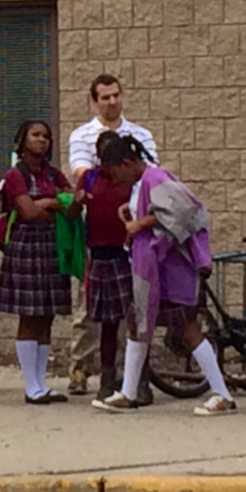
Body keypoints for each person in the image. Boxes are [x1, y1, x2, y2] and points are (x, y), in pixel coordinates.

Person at [89, 131, 236, 417]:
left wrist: (139, 223)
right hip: (151, 267)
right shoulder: (142, 183)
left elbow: (181, 210)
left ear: (128, 163)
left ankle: (223, 394)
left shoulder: (155, 178)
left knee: (187, 327)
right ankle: (129, 392)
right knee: (137, 323)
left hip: (170, 268)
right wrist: (133, 213)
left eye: (115, 172)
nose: (115, 179)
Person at [64, 75, 158, 395]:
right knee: (91, 313)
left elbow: (150, 177)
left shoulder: (141, 134)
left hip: (131, 246)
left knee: (134, 313)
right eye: (104, 97)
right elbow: (80, 175)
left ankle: (132, 377)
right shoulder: (82, 138)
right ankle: (82, 367)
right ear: (94, 101)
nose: (111, 101)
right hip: (99, 246)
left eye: (116, 95)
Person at [0, 119, 78, 403]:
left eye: (46, 136)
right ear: (23, 140)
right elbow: (28, 212)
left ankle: (42, 382)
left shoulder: (53, 173)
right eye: (35, 135)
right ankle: (30, 384)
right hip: (27, 245)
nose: (41, 140)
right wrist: (52, 203)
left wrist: (51, 203)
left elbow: (72, 203)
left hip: (52, 245)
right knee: (29, 314)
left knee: (47, 315)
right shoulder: (15, 174)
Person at [80, 128, 136, 399]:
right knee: (107, 322)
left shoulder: (131, 180)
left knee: (136, 318)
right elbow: (73, 210)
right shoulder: (90, 178)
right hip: (100, 255)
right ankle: (107, 378)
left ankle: (139, 379)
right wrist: (75, 201)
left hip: (126, 254)